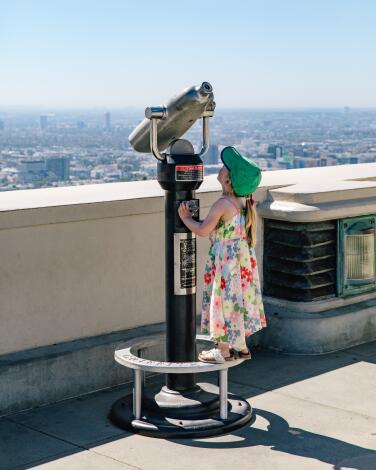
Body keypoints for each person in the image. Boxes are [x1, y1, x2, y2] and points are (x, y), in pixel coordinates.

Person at [178, 146, 267, 364]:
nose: (222, 167)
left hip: (226, 261)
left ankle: (223, 350)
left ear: (229, 181)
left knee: (223, 299)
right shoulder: (244, 202)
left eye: (226, 167)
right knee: (238, 299)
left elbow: (203, 230)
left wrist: (185, 218)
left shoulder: (222, 204)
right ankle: (242, 347)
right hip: (240, 260)